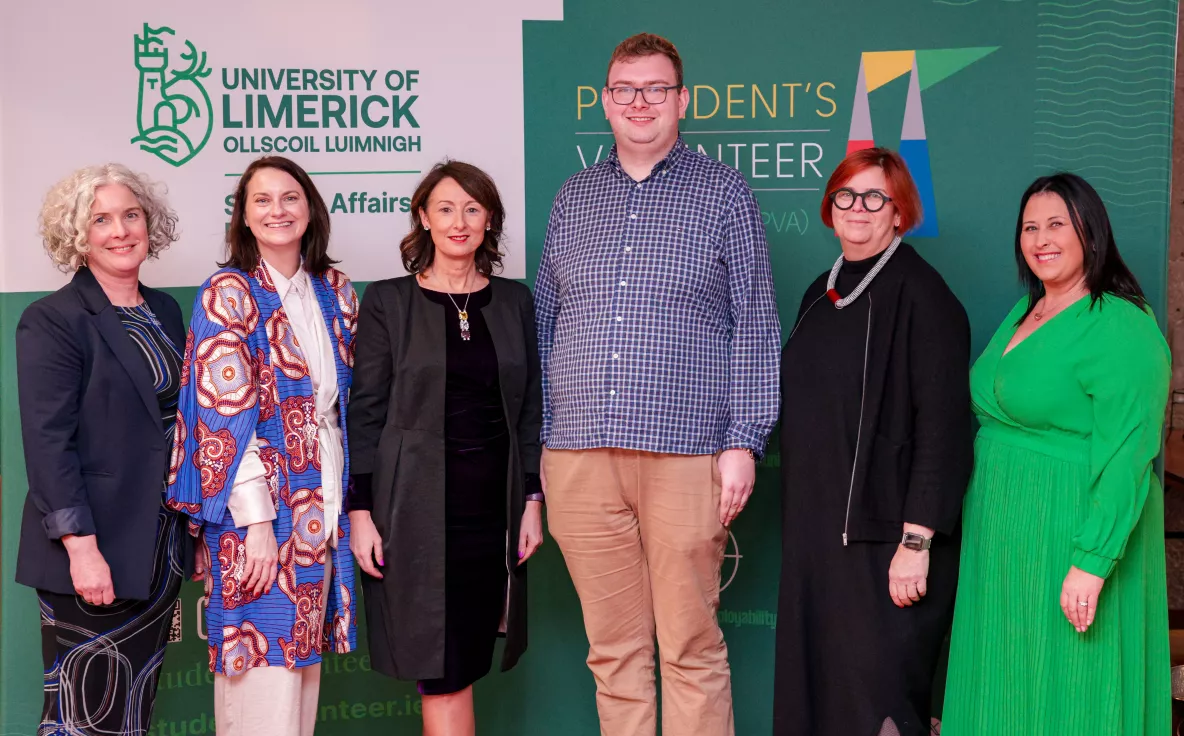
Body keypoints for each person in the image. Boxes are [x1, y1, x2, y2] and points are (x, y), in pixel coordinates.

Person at [534, 33, 781, 736]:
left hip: (687, 457)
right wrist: (547, 442)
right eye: (624, 89)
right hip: (579, 459)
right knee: (613, 653)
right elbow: (546, 323)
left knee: (691, 649)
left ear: (681, 101)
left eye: (655, 89)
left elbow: (755, 325)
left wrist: (743, 442)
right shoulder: (573, 198)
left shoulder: (724, 192)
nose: (639, 102)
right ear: (606, 102)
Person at [941, 173, 1170, 735]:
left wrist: (1093, 560)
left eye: (1056, 224)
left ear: (1089, 232)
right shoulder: (1025, 313)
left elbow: (1129, 453)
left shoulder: (1120, 322)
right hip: (1002, 536)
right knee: (1004, 677)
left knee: (1073, 682)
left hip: (1071, 529)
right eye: (1029, 227)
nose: (1041, 238)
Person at [772, 147, 972, 736]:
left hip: (886, 544)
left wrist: (917, 540)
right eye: (845, 196)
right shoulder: (820, 290)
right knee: (819, 697)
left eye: (874, 197)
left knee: (877, 701)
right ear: (829, 209)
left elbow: (944, 429)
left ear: (900, 213)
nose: (857, 208)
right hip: (816, 540)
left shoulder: (925, 296)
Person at [346, 161, 543, 736]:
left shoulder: (513, 301)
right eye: (446, 208)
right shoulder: (389, 301)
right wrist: (361, 512)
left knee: (466, 658)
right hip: (413, 510)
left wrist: (531, 499)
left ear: (490, 221)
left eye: (473, 209)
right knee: (441, 667)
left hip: (492, 512)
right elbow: (366, 412)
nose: (460, 222)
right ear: (424, 219)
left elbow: (530, 406)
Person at [165, 155, 358, 736]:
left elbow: (341, 408)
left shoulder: (335, 293)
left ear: (310, 210)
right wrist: (254, 523)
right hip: (258, 517)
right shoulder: (229, 293)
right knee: (261, 693)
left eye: (290, 197)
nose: (278, 210)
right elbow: (222, 417)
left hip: (319, 511)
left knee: (299, 686)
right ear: (244, 218)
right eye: (262, 200)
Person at [15, 163, 187, 735]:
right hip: (94, 550)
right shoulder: (53, 320)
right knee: (83, 715)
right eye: (101, 220)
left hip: (159, 546)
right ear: (77, 234)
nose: (120, 230)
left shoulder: (164, 311)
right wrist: (82, 549)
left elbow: (183, 427)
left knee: (132, 711)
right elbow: (47, 444)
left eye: (131, 215)